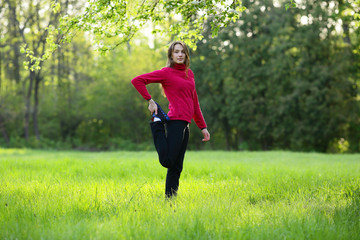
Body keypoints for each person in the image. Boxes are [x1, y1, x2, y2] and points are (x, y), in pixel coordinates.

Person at [131, 41, 210, 198]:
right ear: (171, 55)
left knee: (176, 167)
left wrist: (203, 127)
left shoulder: (190, 74)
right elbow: (137, 80)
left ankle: (170, 201)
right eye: (176, 52)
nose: (180, 54)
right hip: (175, 122)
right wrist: (150, 100)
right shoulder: (166, 72)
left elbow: (194, 102)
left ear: (186, 55)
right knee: (167, 161)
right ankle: (157, 124)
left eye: (183, 52)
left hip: (185, 124)